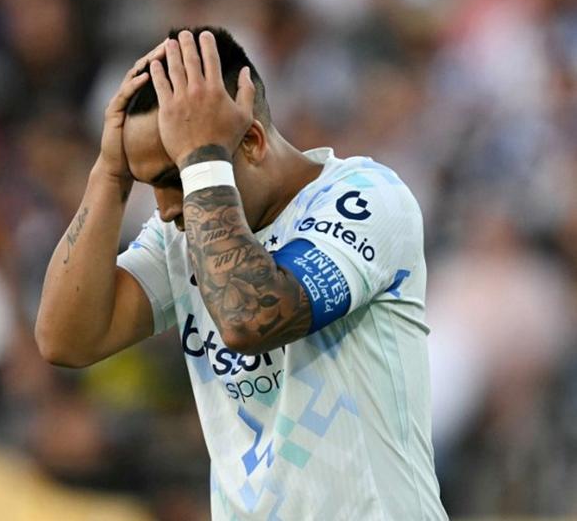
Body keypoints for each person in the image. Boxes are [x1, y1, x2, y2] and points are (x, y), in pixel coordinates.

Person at [35, 26, 447, 520]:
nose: (165, 210)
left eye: (176, 178)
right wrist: (109, 173)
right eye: (151, 184)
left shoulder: (368, 197)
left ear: (249, 140)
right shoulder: (184, 232)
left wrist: (203, 162)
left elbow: (250, 318)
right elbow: (66, 338)